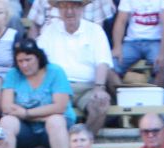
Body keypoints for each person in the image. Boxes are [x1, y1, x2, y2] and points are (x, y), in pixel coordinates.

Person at [38, 0, 113, 134]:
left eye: (74, 6)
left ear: (82, 8)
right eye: (64, 6)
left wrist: (99, 87)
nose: (69, 11)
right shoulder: (49, 31)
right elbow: (39, 61)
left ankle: (83, 141)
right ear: (58, 10)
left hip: (88, 87)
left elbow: (103, 62)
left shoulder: (95, 30)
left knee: (101, 103)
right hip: (59, 87)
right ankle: (66, 146)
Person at [0, 37, 73, 148]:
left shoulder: (55, 71)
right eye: (20, 61)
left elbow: (60, 107)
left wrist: (26, 114)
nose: (24, 65)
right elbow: (6, 107)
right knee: (6, 121)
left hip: (53, 128)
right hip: (25, 129)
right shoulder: (13, 74)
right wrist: (42, 115)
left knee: (55, 120)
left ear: (38, 57)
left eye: (28, 60)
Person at [112, 0, 164, 88]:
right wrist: (117, 47)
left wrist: (163, 53)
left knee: (163, 67)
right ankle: (122, 97)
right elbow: (121, 21)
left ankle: (156, 99)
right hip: (132, 42)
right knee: (110, 66)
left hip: (156, 41)